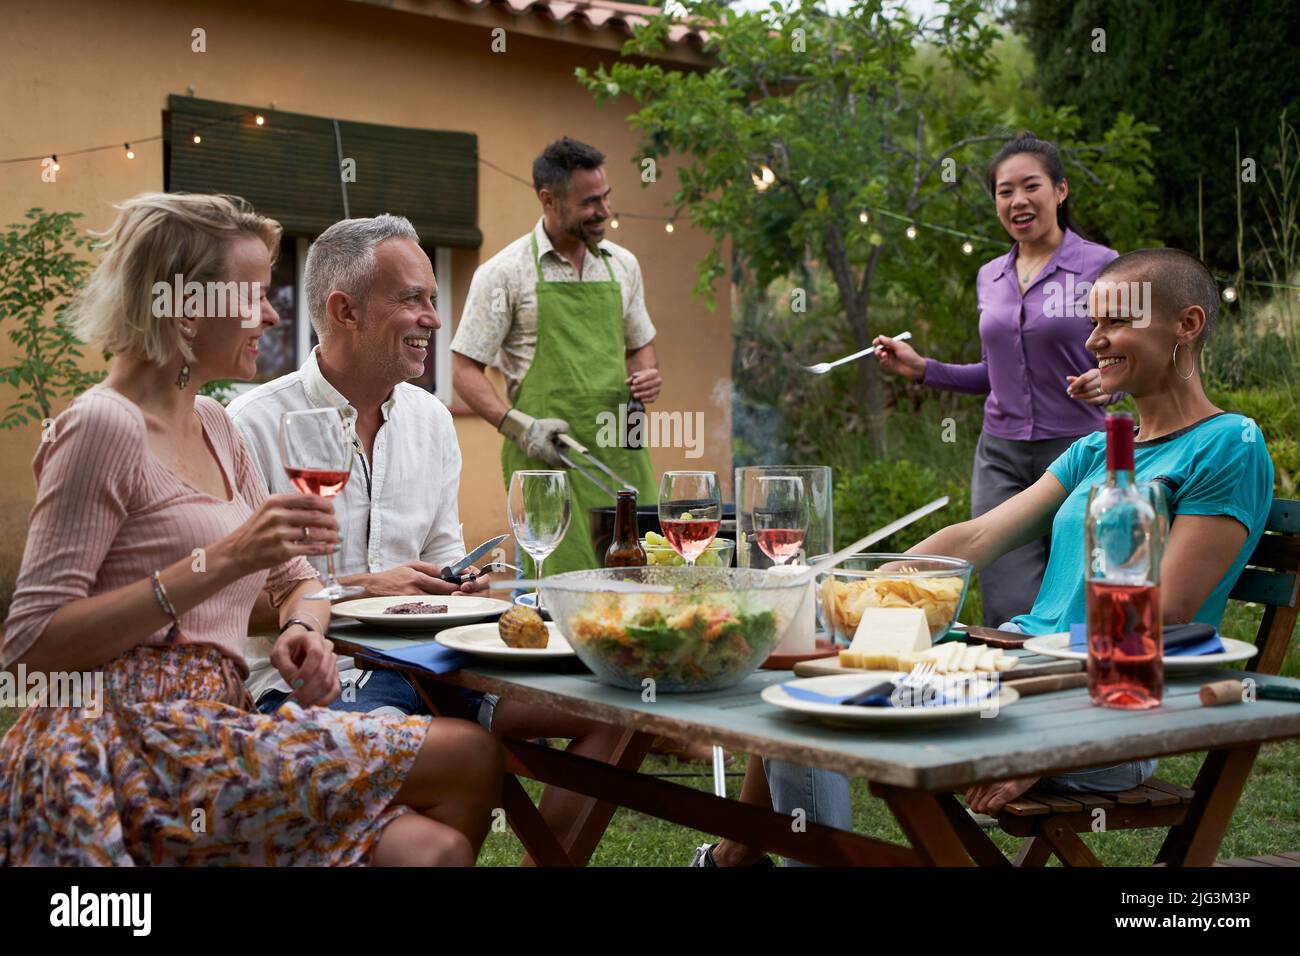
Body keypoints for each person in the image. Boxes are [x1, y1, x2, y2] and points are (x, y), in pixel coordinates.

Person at [702, 248, 1274, 866]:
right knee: (805, 684)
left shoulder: (1228, 444)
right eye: (1093, 322)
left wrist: (1040, 745)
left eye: (1116, 322)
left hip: (1109, 713)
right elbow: (975, 540)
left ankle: (736, 860)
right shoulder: (1097, 451)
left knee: (806, 717)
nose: (1095, 340)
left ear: (1186, 325)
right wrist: (842, 587)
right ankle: (741, 857)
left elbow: (1165, 612)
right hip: (1006, 671)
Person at [0, 193, 500, 866]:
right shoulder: (102, 426)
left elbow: (301, 584)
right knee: (466, 753)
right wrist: (224, 557)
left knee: (432, 848)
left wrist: (302, 631)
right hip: (130, 739)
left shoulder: (214, 425)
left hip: (215, 726)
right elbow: (29, 644)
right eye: (253, 296)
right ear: (184, 304)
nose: (272, 314)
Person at [228, 213, 631, 855]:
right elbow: (223, 607)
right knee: (436, 818)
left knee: (614, 705)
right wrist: (359, 590)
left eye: (433, 300)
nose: (434, 320)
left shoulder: (431, 421)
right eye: (412, 299)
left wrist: (468, 582)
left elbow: (445, 561)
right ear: (346, 310)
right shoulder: (250, 426)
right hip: (304, 689)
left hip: (436, 667)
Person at [874, 133, 1122, 627]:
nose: (1018, 200)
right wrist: (924, 369)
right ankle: (1019, 696)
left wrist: (1112, 381)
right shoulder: (990, 275)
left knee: (1087, 591)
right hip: (1000, 458)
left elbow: (1140, 353)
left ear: (1061, 191)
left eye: (1031, 186)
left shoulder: (1102, 266)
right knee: (1008, 602)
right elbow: (998, 372)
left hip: (1081, 452)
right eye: (1005, 191)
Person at [452, 136, 661, 575]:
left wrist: (645, 377)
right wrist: (519, 427)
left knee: (641, 589)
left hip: (622, 459)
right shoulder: (505, 273)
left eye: (606, 197)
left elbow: (639, 344)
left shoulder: (623, 266)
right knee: (561, 598)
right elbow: (463, 369)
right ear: (548, 199)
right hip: (548, 468)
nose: (604, 211)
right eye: (590, 202)